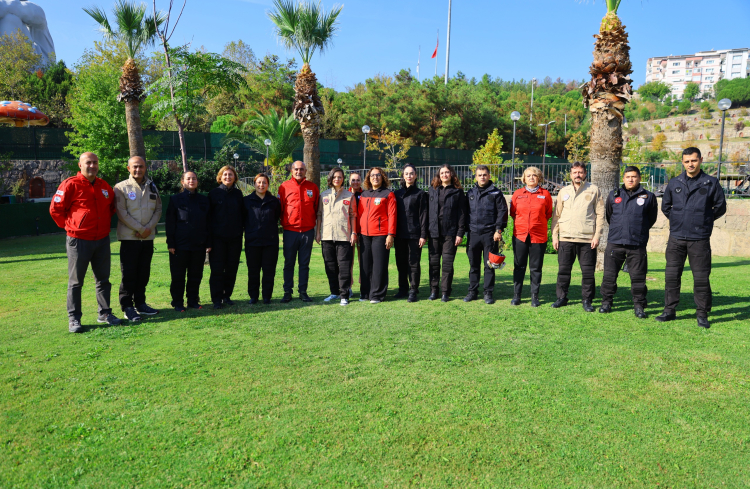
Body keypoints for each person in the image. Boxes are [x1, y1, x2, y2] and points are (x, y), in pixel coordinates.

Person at [50, 152, 122, 332]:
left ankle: (104, 313)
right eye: (88, 162)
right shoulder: (70, 184)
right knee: (76, 282)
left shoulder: (104, 186)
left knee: (103, 280)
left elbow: (111, 208)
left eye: (95, 162)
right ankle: (74, 318)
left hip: (102, 240)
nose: (92, 166)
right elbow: (55, 209)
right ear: (80, 165)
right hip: (78, 240)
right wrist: (71, 227)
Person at [658, 147, 727, 328]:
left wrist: (703, 220)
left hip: (699, 239)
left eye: (694, 160)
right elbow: (666, 207)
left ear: (701, 160)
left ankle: (702, 314)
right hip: (676, 238)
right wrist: (678, 220)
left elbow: (720, 207)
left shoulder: (711, 183)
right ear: (683, 162)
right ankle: (669, 310)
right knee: (672, 276)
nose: (690, 164)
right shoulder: (675, 182)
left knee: (701, 278)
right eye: (687, 161)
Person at [599, 166, 658, 318]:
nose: (631, 179)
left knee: (638, 278)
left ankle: (639, 306)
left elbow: (651, 219)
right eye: (628, 177)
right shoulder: (614, 195)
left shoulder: (649, 196)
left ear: (639, 178)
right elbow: (609, 216)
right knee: (609, 276)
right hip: (615, 242)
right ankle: (606, 303)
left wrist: (637, 230)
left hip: (637, 244)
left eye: (634, 176)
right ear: (623, 178)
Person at [550, 162, 605, 311]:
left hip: (587, 239)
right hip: (565, 238)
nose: (577, 175)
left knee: (588, 273)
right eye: (575, 172)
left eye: (580, 172)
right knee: (563, 271)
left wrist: (597, 236)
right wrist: (555, 236)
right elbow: (556, 215)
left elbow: (600, 214)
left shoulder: (594, 190)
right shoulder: (563, 191)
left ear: (585, 173)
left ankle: (587, 300)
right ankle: (561, 298)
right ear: (570, 175)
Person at [113, 156, 162, 322]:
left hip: (147, 239)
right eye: (134, 166)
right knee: (129, 274)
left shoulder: (152, 186)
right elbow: (121, 212)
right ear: (128, 168)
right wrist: (141, 229)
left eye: (141, 166)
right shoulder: (120, 187)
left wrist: (148, 229)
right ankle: (127, 307)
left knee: (143, 273)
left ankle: (140, 303)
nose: (138, 169)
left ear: (145, 168)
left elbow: (158, 209)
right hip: (129, 238)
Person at [166, 172, 212, 312]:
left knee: (195, 275)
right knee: (178, 276)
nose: (191, 181)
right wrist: (170, 243)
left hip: (198, 244)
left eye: (194, 178)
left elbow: (209, 223)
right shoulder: (175, 199)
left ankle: (192, 300)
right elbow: (170, 223)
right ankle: (178, 302)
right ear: (182, 182)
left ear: (197, 181)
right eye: (188, 178)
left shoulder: (204, 200)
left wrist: (208, 242)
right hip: (180, 245)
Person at [464, 165, 508, 304]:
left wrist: (498, 230)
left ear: (489, 176)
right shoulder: (470, 193)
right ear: (476, 177)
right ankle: (472, 292)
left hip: (490, 234)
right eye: (479, 175)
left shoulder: (496, 193)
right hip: (473, 234)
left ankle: (488, 293)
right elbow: (465, 213)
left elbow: (502, 212)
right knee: (473, 265)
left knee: (489, 265)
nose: (482, 177)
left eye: (484, 174)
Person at [510, 166, 553, 307]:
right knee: (519, 266)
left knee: (536, 268)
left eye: (534, 175)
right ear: (524, 178)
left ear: (539, 178)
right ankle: (517, 295)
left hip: (538, 237)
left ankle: (535, 296)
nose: (531, 178)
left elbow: (548, 214)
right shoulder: (517, 194)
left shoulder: (545, 194)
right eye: (528, 175)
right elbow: (513, 213)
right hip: (520, 235)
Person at [279, 161, 319, 303]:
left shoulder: (312, 187)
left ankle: (303, 291)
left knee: (304, 264)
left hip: (307, 232)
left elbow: (316, 208)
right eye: (296, 169)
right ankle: (287, 291)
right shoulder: (284, 187)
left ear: (305, 171)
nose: (298, 172)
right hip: (290, 231)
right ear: (291, 170)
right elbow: (280, 208)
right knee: (289, 263)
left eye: (301, 169)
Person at [316, 167, 357, 305]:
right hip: (327, 235)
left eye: (340, 177)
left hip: (344, 236)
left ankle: (344, 295)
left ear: (343, 179)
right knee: (330, 266)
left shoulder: (349, 196)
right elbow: (319, 215)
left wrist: (353, 233)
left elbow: (353, 215)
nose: (337, 179)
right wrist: (318, 232)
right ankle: (334, 292)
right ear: (331, 178)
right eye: (334, 177)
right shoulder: (323, 195)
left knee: (344, 266)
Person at [357, 167, 397, 304]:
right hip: (364, 235)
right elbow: (360, 215)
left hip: (381, 235)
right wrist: (357, 232)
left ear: (382, 177)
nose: (375, 177)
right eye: (372, 175)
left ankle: (377, 295)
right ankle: (365, 293)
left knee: (379, 266)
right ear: (369, 178)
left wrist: (390, 234)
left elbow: (392, 215)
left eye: (378, 175)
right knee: (365, 265)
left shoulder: (388, 194)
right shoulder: (364, 194)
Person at [427, 164, 466, 302]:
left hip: (450, 233)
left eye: (447, 172)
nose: (444, 175)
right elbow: (427, 212)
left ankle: (445, 292)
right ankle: (434, 290)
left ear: (451, 174)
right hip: (434, 232)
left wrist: (460, 233)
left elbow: (462, 214)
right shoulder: (432, 190)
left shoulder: (458, 192)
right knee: (434, 263)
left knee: (447, 264)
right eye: (442, 173)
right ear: (439, 175)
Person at [207, 165, 244, 309]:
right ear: (220, 177)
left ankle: (227, 296)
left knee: (231, 269)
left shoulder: (238, 194)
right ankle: (216, 299)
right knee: (217, 270)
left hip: (235, 239)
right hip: (217, 240)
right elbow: (208, 218)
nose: (228, 177)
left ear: (234, 177)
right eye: (225, 175)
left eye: (230, 175)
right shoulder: (213, 194)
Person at [243, 173, 281, 305]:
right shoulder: (246, 201)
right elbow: (244, 220)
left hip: (270, 242)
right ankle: (253, 296)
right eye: (259, 182)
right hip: (252, 242)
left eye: (264, 182)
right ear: (254, 184)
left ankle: (267, 296)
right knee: (253, 271)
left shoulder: (274, 201)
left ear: (268, 185)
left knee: (269, 271)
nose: (261, 185)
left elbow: (276, 217)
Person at [394, 164, 428, 302]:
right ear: (403, 175)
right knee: (401, 263)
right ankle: (403, 289)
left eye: (411, 173)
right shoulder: (396, 194)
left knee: (413, 263)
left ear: (415, 176)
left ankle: (413, 290)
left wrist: (423, 235)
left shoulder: (420, 194)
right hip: (399, 234)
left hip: (414, 234)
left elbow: (423, 216)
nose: (409, 176)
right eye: (406, 173)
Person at [348, 172, 364, 296]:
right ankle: (348, 286)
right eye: (353, 180)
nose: (355, 182)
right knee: (349, 261)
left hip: (363, 231)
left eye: (358, 180)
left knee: (362, 260)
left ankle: (363, 284)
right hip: (349, 232)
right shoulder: (345, 194)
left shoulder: (366, 194)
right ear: (349, 181)